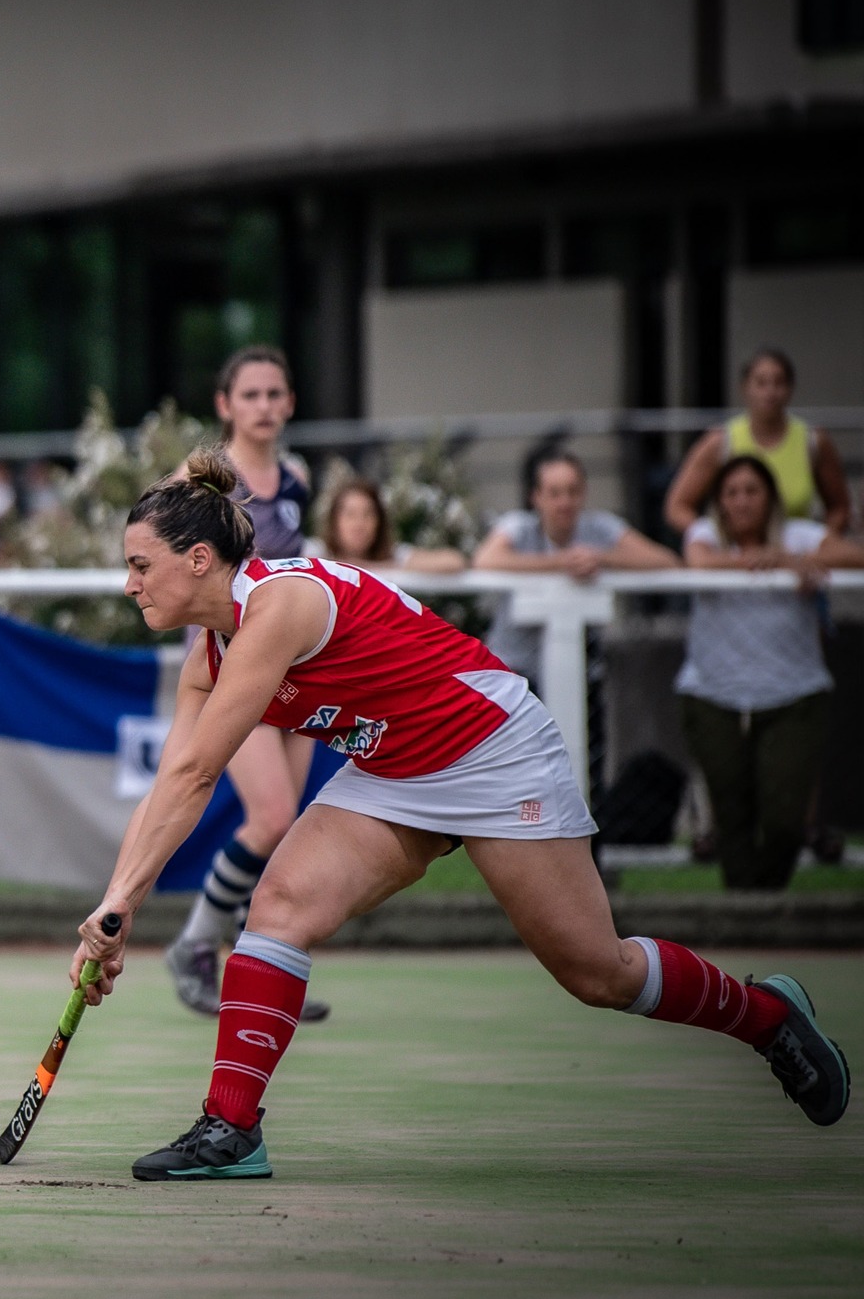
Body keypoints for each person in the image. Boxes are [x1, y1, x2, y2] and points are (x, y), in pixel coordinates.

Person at [66, 447, 847, 1183]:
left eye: (140, 566)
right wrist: (116, 905)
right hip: (393, 770)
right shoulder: (207, 653)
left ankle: (767, 1015)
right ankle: (230, 1129)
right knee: (277, 905)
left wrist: (123, 901)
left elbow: (202, 771)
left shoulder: (278, 607)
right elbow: (172, 781)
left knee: (595, 971)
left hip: (488, 747)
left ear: (197, 559)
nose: (130, 585)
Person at [163, 346, 327, 1024]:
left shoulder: (295, 477)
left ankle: (258, 971)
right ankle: (195, 942)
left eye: (275, 394)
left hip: (292, 667)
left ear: (289, 404)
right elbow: (171, 572)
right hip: (232, 662)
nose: (264, 405)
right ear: (225, 405)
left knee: (287, 835)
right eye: (250, 394)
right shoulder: (203, 480)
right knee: (272, 817)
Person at [677, 455, 864, 891]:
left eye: (752, 491)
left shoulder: (802, 536)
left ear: (771, 498)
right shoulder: (706, 535)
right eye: (732, 493)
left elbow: (850, 556)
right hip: (714, 691)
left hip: (792, 692)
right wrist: (765, 561)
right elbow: (699, 564)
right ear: (720, 503)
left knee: (785, 818)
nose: (742, 502)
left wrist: (799, 559)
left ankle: (770, 900)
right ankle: (745, 916)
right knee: (730, 813)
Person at [473, 447, 680, 683]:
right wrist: (560, 563)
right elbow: (485, 559)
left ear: (584, 493)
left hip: (582, 672)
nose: (565, 502)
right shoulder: (519, 525)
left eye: (573, 491)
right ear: (536, 497)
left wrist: (601, 558)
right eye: (555, 493)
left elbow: (666, 560)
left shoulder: (599, 527)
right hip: (514, 669)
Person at [663, 348, 851, 538]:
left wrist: (819, 543)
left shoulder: (813, 440)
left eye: (779, 383)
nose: (770, 392)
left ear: (790, 388)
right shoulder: (719, 441)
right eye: (761, 383)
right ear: (745, 388)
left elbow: (840, 507)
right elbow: (677, 507)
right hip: (735, 558)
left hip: (797, 558)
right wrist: (714, 541)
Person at [307, 475, 467, 573]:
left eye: (368, 515)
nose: (359, 524)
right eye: (350, 515)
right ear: (335, 521)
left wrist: (377, 568)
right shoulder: (317, 553)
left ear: (379, 522)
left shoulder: (393, 555)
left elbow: (455, 561)